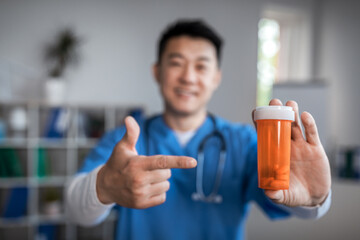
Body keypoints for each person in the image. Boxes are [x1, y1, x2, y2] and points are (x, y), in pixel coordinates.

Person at [66, 19, 331, 240]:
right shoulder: (124, 141)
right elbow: (76, 208)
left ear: (216, 77)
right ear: (157, 72)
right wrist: (104, 186)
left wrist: (315, 201)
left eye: (201, 66)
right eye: (176, 63)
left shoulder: (246, 143)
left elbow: (287, 199)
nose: (189, 77)